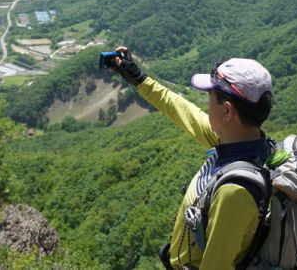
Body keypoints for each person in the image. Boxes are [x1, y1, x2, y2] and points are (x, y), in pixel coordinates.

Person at [112, 46, 274, 269]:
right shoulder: (243, 144)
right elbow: (180, 108)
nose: (206, 108)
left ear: (227, 111)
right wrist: (138, 78)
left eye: (210, 99)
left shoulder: (234, 192)